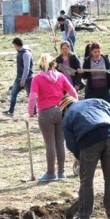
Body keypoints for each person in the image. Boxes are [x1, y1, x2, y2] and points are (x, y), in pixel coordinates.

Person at [59, 95, 110, 219]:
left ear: (64, 109)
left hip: (89, 141)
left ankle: (84, 216)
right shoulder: (97, 101)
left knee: (86, 180)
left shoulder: (68, 115)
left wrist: (79, 156)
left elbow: (71, 143)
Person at [28, 53, 78, 182]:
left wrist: (31, 112)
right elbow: (72, 90)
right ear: (53, 64)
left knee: (50, 144)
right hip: (61, 111)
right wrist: (75, 105)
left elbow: (33, 96)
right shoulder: (60, 76)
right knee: (60, 143)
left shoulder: (37, 78)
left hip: (45, 113)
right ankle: (61, 172)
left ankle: (51, 173)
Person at [3, 37, 34, 117]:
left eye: (14, 45)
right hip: (19, 78)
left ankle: (34, 111)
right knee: (13, 93)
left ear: (16, 45)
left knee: (30, 96)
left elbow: (26, 68)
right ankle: (11, 111)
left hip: (27, 79)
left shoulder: (26, 53)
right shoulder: (20, 52)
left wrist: (23, 79)